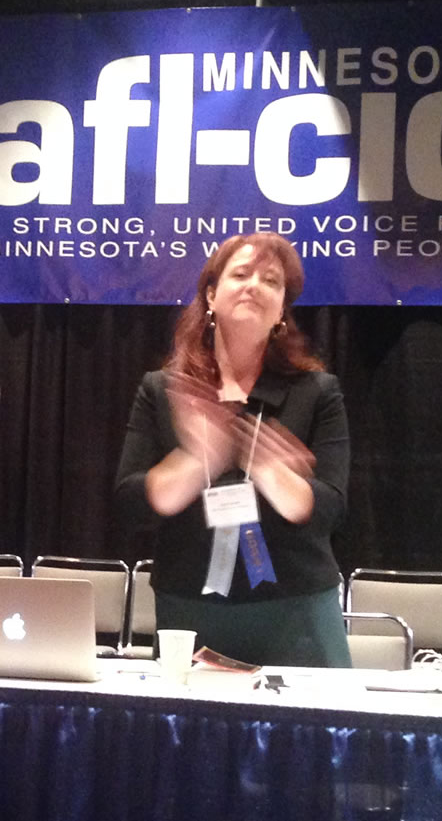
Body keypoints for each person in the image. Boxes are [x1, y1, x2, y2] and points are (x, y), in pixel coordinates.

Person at [114, 232, 351, 667]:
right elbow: (130, 504)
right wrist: (196, 460)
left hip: (295, 607)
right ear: (210, 294)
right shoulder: (164, 390)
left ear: (282, 309)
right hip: (190, 606)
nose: (254, 286)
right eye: (240, 274)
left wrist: (271, 470)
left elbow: (331, 510)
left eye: (272, 281)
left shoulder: (317, 392)